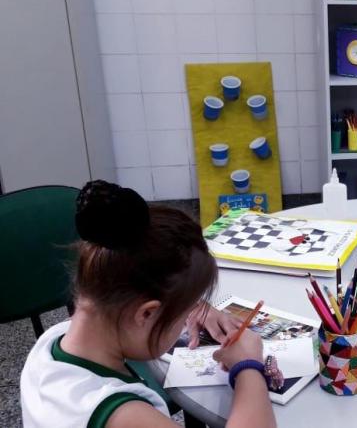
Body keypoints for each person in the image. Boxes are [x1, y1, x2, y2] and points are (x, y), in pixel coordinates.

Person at [20, 180, 277, 428]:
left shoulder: (53, 341)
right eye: (182, 318)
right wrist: (247, 367)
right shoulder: (123, 416)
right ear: (146, 313)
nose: (184, 324)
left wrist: (186, 303)